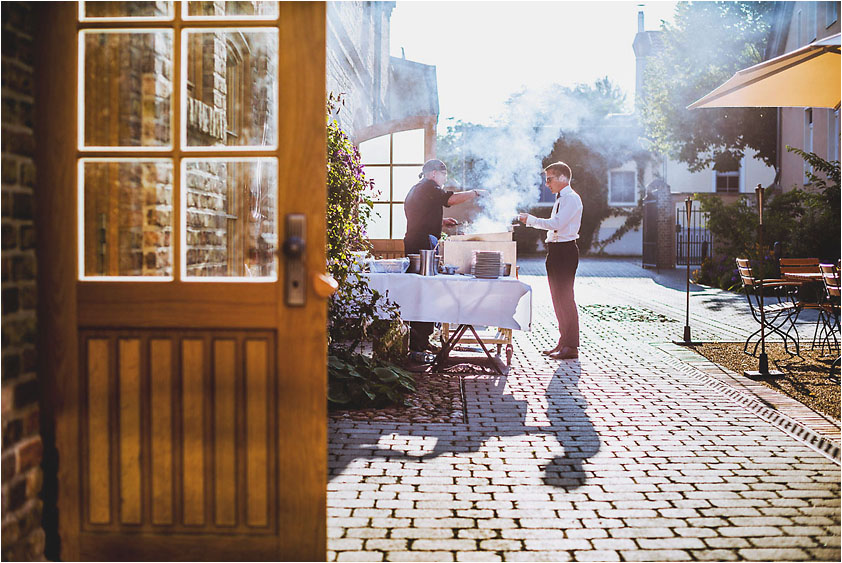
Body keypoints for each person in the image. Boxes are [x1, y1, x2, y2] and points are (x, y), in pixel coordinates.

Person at [404, 159, 486, 354]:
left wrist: (440, 222)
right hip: (421, 244)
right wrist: (475, 193)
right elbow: (450, 199)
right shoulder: (429, 186)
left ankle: (421, 341)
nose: (444, 179)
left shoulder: (417, 189)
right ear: (434, 173)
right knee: (425, 290)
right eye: (444, 175)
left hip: (416, 241)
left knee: (423, 289)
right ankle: (418, 343)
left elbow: (420, 217)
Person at [518, 161, 582, 360]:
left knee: (565, 298)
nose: (547, 184)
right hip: (556, 251)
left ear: (563, 178)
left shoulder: (571, 198)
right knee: (557, 299)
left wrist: (531, 220)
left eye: (550, 179)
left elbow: (557, 224)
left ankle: (571, 347)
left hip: (565, 251)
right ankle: (563, 342)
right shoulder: (561, 198)